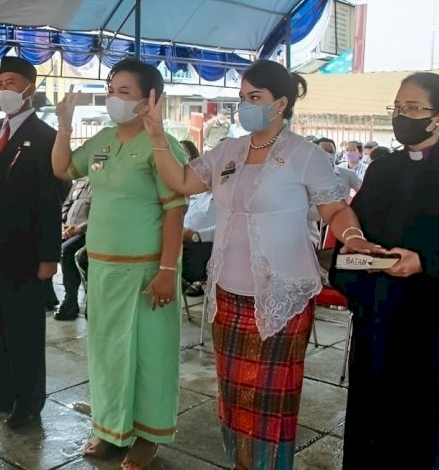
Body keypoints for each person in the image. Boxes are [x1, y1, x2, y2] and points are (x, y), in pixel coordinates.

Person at [140, 59, 380, 470]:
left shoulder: (305, 156)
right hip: (227, 299)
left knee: (270, 405)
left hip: (280, 300)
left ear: (281, 103)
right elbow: (180, 181)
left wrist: (353, 236)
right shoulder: (228, 151)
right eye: (241, 99)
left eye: (255, 98)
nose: (245, 107)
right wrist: (158, 134)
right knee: (234, 399)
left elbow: (335, 209)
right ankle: (242, 464)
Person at [52, 58, 188, 470]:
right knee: (107, 353)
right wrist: (64, 125)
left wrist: (167, 271)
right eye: (112, 90)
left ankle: (148, 437)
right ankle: (111, 429)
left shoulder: (163, 144)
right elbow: (62, 167)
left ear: (152, 99)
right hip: (104, 268)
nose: (114, 98)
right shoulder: (105, 139)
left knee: (150, 356)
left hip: (148, 272)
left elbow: (175, 209)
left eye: (124, 92)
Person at [331, 72, 439, 469]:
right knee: (369, 411)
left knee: (419, 418)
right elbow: (359, 227)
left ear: (437, 117)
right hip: (377, 309)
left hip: (427, 317)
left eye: (413, 108)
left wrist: (424, 262)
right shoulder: (383, 168)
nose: (402, 116)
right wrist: (356, 247)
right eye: (397, 108)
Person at [0, 57, 64, 429]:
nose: (4, 89)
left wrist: (49, 255)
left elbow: (51, 199)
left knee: (24, 328)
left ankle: (29, 399)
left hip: (24, 250)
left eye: (12, 83)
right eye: (1, 82)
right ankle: (2, 388)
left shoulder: (46, 137)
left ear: (30, 89)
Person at [178, 141, 216, 298]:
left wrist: (196, 235)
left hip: (202, 252)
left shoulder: (226, 199)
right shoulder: (195, 193)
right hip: (181, 244)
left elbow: (229, 230)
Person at [54, 176, 92, 321]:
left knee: (67, 250)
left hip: (88, 233)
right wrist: (63, 223)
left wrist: (79, 228)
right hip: (68, 230)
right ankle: (46, 296)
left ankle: (71, 300)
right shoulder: (80, 181)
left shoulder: (103, 183)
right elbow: (67, 204)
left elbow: (101, 213)